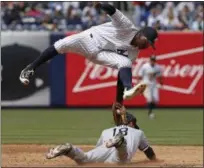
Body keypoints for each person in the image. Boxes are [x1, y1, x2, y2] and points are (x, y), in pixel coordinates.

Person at [19, 2, 158, 101]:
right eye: (147, 42)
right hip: (88, 39)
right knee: (60, 45)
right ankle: (30, 68)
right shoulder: (127, 26)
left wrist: (119, 101)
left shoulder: (134, 53)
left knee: (125, 62)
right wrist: (101, 6)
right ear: (141, 34)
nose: (147, 46)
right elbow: (113, 11)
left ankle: (129, 89)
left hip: (100, 55)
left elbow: (121, 76)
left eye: (149, 45)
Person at [46, 111, 156, 165]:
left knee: (85, 159)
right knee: (121, 160)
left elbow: (98, 149)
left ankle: (70, 149)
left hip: (105, 148)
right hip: (120, 152)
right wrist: (154, 161)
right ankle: (120, 142)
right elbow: (148, 151)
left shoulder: (106, 131)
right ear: (131, 123)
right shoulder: (138, 132)